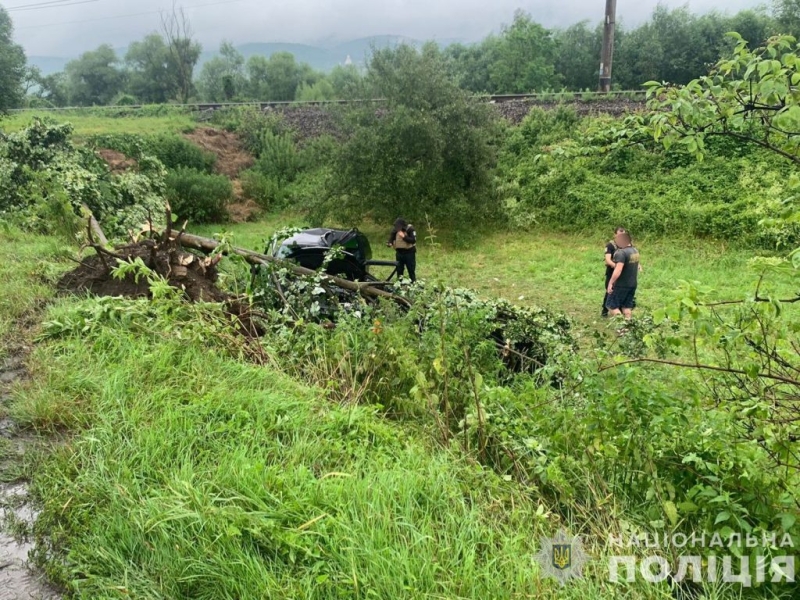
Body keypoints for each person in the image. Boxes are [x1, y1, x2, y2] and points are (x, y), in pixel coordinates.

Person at [606, 231, 640, 320]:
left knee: (611, 306)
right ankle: (628, 328)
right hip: (632, 284)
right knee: (626, 306)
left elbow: (618, 270)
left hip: (621, 285)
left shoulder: (621, 253)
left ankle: (622, 327)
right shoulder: (635, 251)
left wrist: (611, 282)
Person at [602, 227, 627, 317]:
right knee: (610, 291)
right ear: (615, 235)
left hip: (623, 273)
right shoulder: (610, 245)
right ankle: (604, 310)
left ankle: (619, 310)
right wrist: (617, 267)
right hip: (612, 272)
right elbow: (608, 260)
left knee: (621, 291)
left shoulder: (626, 245)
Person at [387, 218, 417, 282]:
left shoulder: (410, 229)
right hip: (399, 253)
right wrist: (390, 243)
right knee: (399, 270)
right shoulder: (395, 230)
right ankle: (399, 284)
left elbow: (413, 240)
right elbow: (391, 238)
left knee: (411, 270)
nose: (397, 229)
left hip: (409, 253)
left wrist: (404, 237)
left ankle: (413, 284)